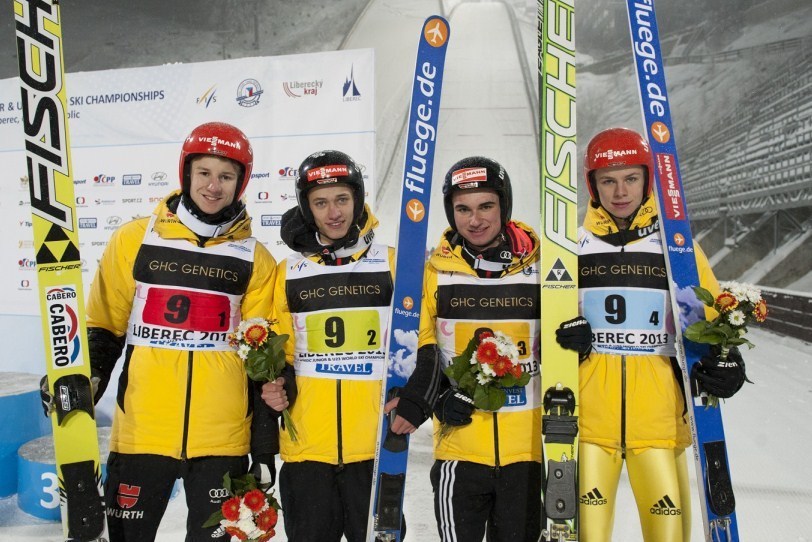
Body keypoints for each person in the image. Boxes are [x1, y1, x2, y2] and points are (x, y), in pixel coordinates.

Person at [41, 122, 279, 541]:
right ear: (186, 172)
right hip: (141, 434)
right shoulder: (135, 239)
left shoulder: (255, 259)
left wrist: (262, 449)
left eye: (226, 176)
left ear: (241, 183)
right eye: (204, 172)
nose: (213, 186)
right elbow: (104, 326)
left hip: (222, 440)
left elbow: (261, 365)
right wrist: (85, 378)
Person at [555, 127, 748, 542]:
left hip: (660, 420)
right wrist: (563, 337)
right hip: (589, 421)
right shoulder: (573, 246)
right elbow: (547, 321)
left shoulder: (676, 246)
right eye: (608, 180)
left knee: (669, 534)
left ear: (647, 180)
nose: (620, 192)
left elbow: (712, 316)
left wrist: (729, 361)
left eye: (631, 178)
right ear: (592, 185)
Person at [388, 156, 543, 541]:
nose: (475, 220)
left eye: (486, 206)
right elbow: (426, 351)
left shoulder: (541, 267)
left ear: (504, 205)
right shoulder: (435, 273)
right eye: (463, 209)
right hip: (459, 450)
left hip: (526, 453)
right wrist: (438, 400)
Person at [262, 149, 395, 542]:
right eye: (320, 203)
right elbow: (279, 356)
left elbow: (418, 343)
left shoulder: (391, 263)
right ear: (307, 208)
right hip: (307, 451)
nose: (333, 213)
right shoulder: (288, 272)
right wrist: (275, 384)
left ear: (358, 200)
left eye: (342, 199)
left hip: (374, 449)